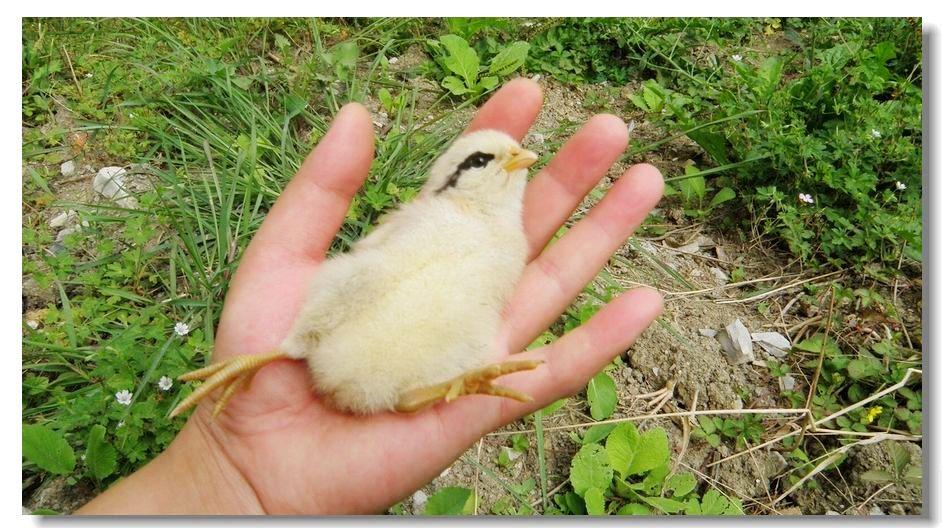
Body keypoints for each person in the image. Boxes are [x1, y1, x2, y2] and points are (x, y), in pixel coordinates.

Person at [76, 78, 664, 515]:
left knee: (462, 330)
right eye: (486, 157)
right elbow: (361, 280)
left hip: (395, 381)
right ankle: (277, 352)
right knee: (377, 278)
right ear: (457, 175)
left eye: (509, 155)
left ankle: (416, 385)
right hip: (339, 354)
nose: (515, 160)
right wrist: (231, 459)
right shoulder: (438, 217)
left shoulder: (501, 244)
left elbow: (458, 321)